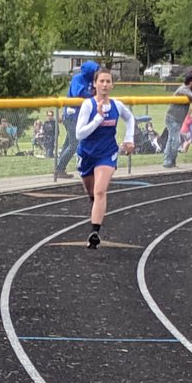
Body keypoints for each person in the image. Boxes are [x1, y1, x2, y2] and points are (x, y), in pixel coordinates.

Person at [74, 66, 135, 248]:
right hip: (86, 154)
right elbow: (79, 134)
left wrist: (129, 139)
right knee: (92, 192)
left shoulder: (117, 105)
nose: (105, 85)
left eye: (108, 81)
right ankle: (95, 204)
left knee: (100, 190)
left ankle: (95, 232)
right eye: (101, 81)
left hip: (107, 153)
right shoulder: (88, 105)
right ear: (95, 84)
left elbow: (130, 118)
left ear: (112, 85)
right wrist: (98, 119)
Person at [55, 60, 99, 179]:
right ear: (89, 71)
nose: (97, 73)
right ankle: (59, 168)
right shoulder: (78, 78)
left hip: (80, 116)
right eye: (95, 71)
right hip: (71, 115)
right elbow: (78, 93)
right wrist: (92, 94)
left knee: (68, 143)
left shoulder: (92, 81)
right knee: (74, 143)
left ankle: (59, 168)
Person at [163, 73, 192, 167]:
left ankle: (169, 161)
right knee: (175, 141)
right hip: (172, 118)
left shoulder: (188, 90)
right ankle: (168, 161)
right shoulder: (183, 89)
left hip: (178, 120)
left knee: (172, 140)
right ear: (191, 82)